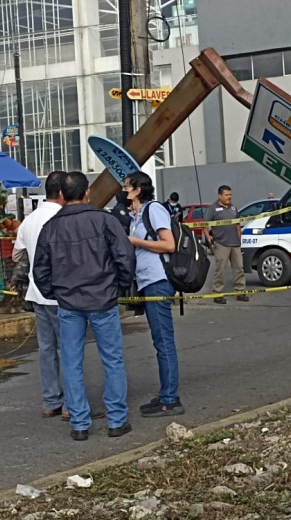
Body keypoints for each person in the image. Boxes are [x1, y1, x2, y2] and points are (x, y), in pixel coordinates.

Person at [34, 171, 136, 441]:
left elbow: (40, 270)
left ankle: (80, 423)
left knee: (71, 362)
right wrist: (119, 287)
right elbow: (125, 257)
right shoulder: (105, 221)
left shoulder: (51, 227)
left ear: (62, 196)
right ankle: (116, 421)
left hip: (68, 303)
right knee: (112, 360)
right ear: (87, 192)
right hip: (103, 299)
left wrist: (55, 293)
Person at [124, 171, 185, 417]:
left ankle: (170, 399)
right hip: (147, 281)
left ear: (138, 189)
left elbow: (169, 244)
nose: (123, 190)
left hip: (159, 280)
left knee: (163, 340)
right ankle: (165, 394)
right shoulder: (137, 215)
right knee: (159, 340)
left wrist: (135, 242)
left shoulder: (154, 210)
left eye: (127, 186)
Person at [13, 171, 69, 419]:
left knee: (47, 348)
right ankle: (71, 403)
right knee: (69, 348)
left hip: (37, 294)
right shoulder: (63, 217)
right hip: (62, 294)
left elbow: (16, 255)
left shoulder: (29, 220)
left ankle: (51, 401)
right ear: (62, 192)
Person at [203, 185, 248, 304]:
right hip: (221, 244)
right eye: (227, 195)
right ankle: (218, 294)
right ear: (220, 196)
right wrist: (209, 238)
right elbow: (205, 225)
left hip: (235, 244)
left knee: (239, 268)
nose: (229, 197)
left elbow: (238, 224)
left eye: (230, 195)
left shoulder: (233, 208)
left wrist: (239, 239)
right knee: (220, 270)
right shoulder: (212, 209)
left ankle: (240, 291)